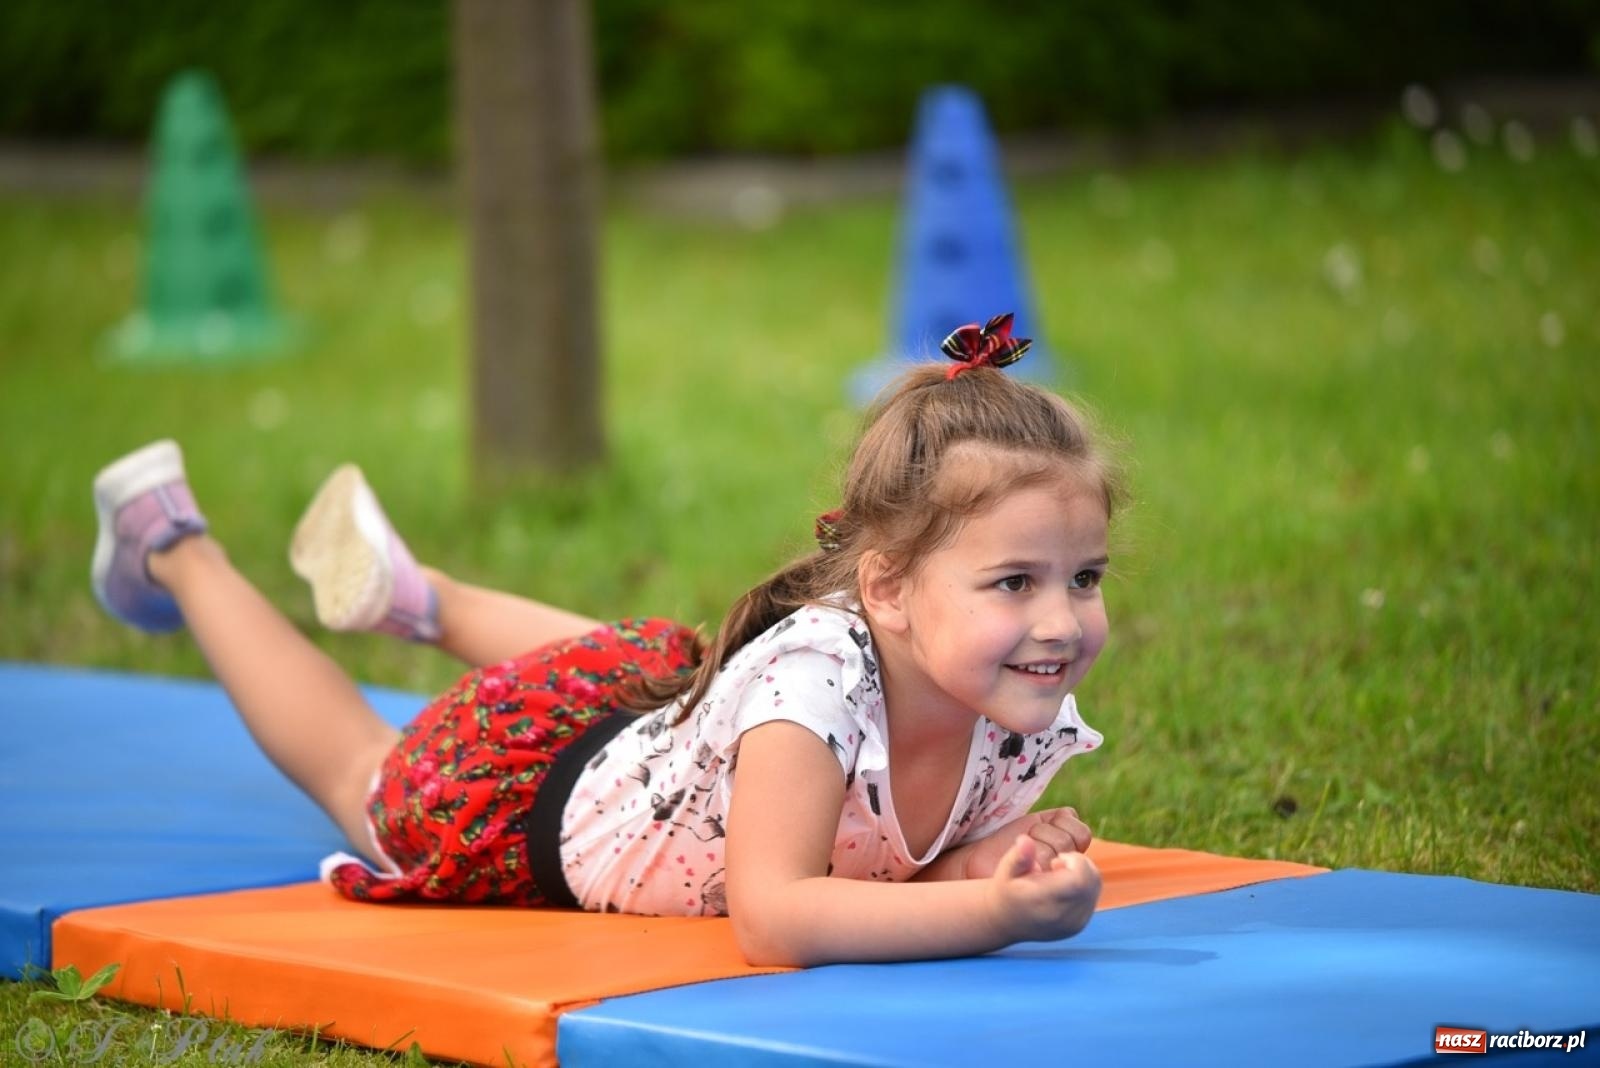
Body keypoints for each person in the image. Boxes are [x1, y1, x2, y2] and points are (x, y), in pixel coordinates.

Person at [89, 313, 1118, 966]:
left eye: (1084, 578)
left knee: (690, 662)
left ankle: (421, 596)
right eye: (1014, 582)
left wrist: (991, 861)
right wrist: (997, 918)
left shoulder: (1009, 693)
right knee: (366, 772)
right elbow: (778, 917)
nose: (1061, 621)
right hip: (531, 803)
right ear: (887, 591)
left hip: (663, 717)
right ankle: (173, 543)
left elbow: (883, 867)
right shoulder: (809, 694)